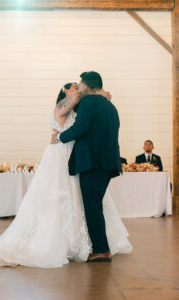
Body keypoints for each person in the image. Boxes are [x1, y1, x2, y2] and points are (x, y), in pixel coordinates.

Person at [0, 81, 132, 270]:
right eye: (75, 87)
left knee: (79, 199)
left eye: (80, 86)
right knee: (58, 197)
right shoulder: (61, 106)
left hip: (74, 155)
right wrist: (97, 92)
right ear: (66, 91)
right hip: (59, 154)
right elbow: (77, 98)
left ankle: (85, 242)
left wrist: (97, 95)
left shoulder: (77, 109)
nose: (79, 90)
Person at [52, 71, 124, 263]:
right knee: (96, 205)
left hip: (93, 162)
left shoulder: (89, 102)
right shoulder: (110, 105)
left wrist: (60, 137)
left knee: (92, 207)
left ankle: (101, 250)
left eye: (79, 85)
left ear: (84, 86)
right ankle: (102, 248)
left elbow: (80, 128)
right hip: (108, 162)